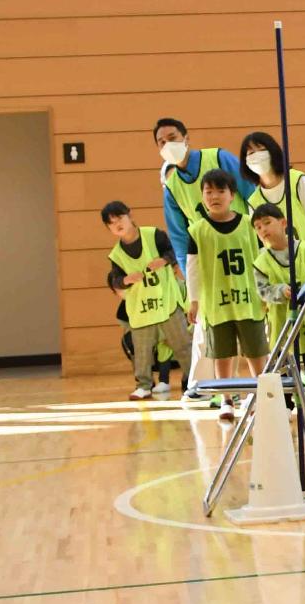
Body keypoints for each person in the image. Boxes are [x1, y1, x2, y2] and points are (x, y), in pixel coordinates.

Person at [154, 119, 249, 396]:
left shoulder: (218, 158)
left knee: (259, 321)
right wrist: (192, 283)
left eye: (172, 137)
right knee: (207, 322)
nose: (168, 145)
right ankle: (209, 389)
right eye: (161, 142)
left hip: (243, 251)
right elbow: (180, 238)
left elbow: (251, 191)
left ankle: (280, 380)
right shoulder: (172, 188)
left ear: (186, 137)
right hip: (209, 264)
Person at [185, 169, 268, 422]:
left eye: (220, 191)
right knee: (222, 354)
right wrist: (194, 300)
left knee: (256, 353)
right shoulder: (197, 230)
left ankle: (261, 397)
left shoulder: (248, 224)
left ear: (232, 195)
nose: (214, 196)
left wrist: (266, 292)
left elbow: (262, 259)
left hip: (249, 300)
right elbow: (193, 268)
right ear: (202, 197)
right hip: (216, 305)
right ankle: (227, 400)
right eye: (208, 192)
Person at [101, 200, 191, 401]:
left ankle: (193, 381)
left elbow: (173, 251)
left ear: (129, 215)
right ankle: (143, 385)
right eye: (112, 223)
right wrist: (126, 280)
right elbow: (115, 280)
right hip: (141, 308)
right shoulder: (116, 255)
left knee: (182, 344)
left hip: (165, 300)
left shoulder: (154, 235)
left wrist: (165, 260)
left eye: (120, 218)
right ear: (109, 228)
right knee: (141, 350)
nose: (118, 224)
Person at [252, 200, 305, 405]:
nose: (263, 229)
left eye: (267, 223)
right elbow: (263, 290)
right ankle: (285, 405)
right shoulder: (261, 262)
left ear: (283, 222)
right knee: (282, 365)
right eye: (258, 227)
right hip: (281, 324)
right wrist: (280, 291)